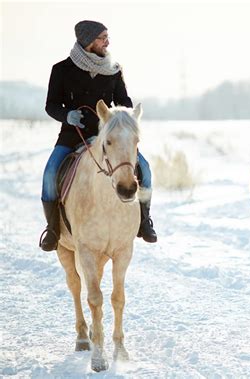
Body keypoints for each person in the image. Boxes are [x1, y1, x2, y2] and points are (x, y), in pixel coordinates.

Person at [39, 20, 157, 251]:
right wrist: (67, 115)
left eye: (106, 37)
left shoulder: (114, 69)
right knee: (50, 172)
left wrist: (120, 115)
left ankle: (144, 221)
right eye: (102, 38)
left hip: (109, 138)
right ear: (88, 41)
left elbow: (124, 102)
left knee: (145, 169)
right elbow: (51, 105)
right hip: (72, 136)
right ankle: (53, 229)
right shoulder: (61, 69)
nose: (107, 42)